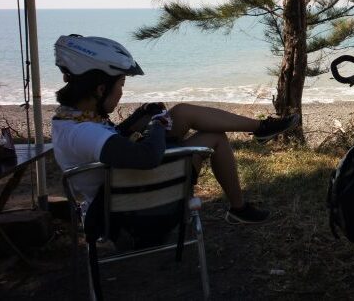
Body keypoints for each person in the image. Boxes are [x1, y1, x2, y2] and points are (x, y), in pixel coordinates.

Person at [52, 34, 299, 225]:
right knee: (214, 137)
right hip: (136, 204)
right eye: (121, 84)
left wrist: (138, 118)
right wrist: (156, 125)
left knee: (181, 112)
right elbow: (146, 157)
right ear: (99, 90)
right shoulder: (83, 133)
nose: (121, 92)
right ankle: (238, 207)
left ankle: (262, 127)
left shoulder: (72, 121)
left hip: (128, 186)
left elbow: (113, 141)